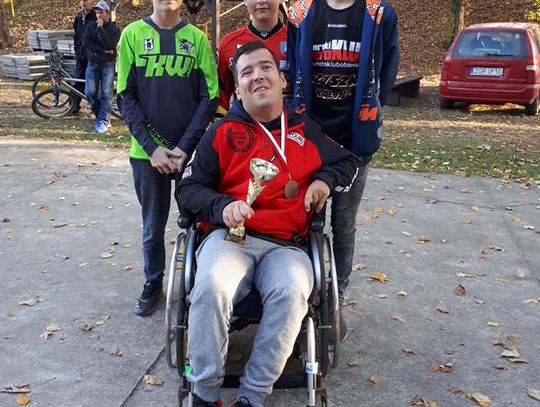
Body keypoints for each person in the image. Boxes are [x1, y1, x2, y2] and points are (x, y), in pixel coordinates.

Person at [176, 41, 358, 407]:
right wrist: (222, 205)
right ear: (238, 90)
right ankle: (205, 394)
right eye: (246, 72)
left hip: (287, 245)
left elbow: (347, 162)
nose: (257, 76)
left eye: (265, 68)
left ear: (281, 79)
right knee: (210, 285)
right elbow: (187, 189)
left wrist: (324, 182)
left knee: (292, 291)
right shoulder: (221, 133)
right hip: (230, 238)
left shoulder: (306, 130)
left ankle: (253, 395)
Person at [287, 0, 400, 310]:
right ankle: (308, 287)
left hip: (356, 140)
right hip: (311, 140)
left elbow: (388, 68)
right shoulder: (301, 12)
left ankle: (338, 288)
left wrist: (372, 107)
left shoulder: (379, 13)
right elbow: (294, 66)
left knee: (344, 222)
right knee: (309, 220)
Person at [116, 0, 218, 316]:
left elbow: (209, 96)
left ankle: (198, 283)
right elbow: (125, 96)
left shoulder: (197, 39)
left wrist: (185, 147)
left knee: (199, 224)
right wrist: (152, 148)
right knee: (152, 227)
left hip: (189, 154)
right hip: (147, 157)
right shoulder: (132, 34)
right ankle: (153, 283)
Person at [216, 0, 290, 117]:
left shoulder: (298, 39)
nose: (261, 1)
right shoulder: (229, 44)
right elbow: (221, 96)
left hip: (290, 123)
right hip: (244, 124)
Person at [82, 0, 121, 133]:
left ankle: (103, 120)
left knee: (106, 93)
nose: (98, 15)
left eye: (101, 12)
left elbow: (110, 44)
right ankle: (101, 116)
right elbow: (86, 42)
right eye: (97, 12)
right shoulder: (90, 26)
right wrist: (102, 50)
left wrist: (100, 29)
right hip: (93, 63)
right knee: (89, 92)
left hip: (107, 64)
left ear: (108, 14)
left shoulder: (114, 29)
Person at [72, 0, 96, 115]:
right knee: (78, 80)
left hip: (93, 54)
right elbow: (76, 35)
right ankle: (73, 106)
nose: (84, 3)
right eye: (82, 1)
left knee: (93, 82)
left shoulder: (96, 16)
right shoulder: (79, 16)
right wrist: (77, 49)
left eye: (86, 0)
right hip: (81, 54)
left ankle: (95, 107)